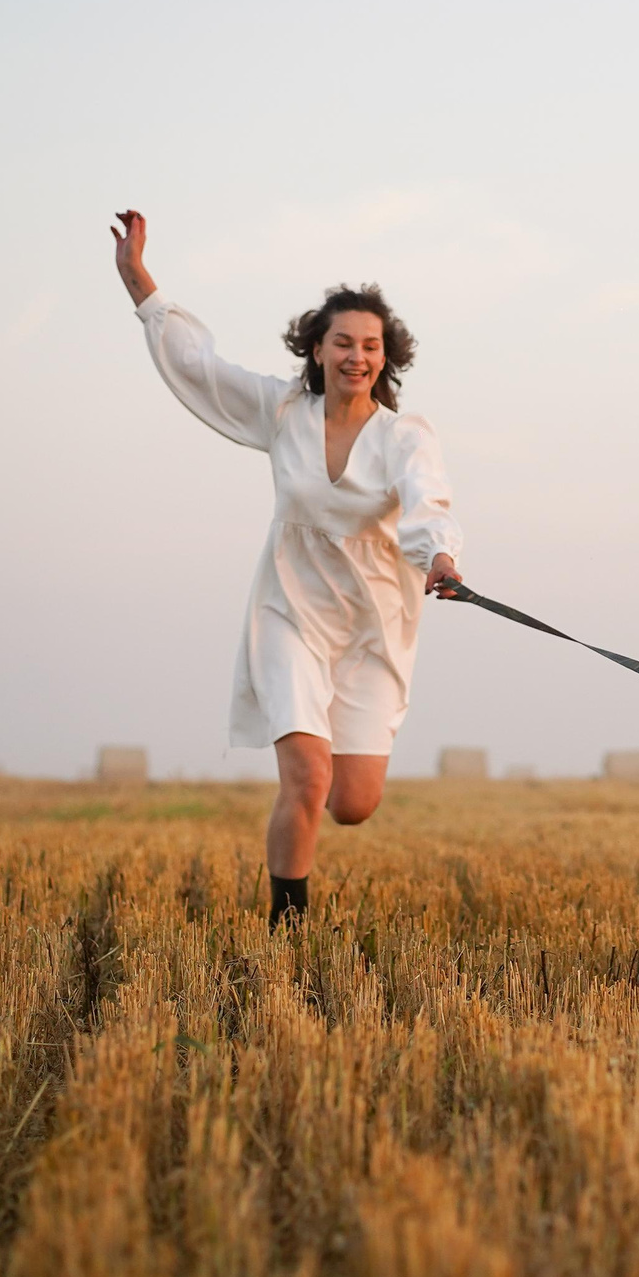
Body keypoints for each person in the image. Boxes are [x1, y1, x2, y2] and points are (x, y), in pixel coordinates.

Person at [110, 209, 465, 927]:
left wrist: (441, 557)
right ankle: (289, 928)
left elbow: (428, 499)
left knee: (353, 802)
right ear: (318, 347)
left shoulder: (403, 434)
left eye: (370, 346)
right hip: (291, 613)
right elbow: (201, 370)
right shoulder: (280, 410)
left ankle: (331, 788)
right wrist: (141, 283)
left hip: (373, 624)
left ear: (385, 356)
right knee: (306, 779)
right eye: (343, 342)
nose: (357, 356)